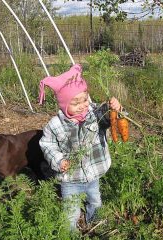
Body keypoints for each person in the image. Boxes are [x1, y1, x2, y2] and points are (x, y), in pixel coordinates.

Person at [38, 64, 121, 230]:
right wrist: (58, 160)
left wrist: (115, 108)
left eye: (84, 99)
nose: (82, 105)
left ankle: (95, 225)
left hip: (93, 175)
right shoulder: (54, 125)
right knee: (71, 212)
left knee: (95, 201)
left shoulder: (94, 113)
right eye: (75, 103)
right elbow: (47, 145)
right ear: (63, 104)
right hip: (70, 179)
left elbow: (108, 118)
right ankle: (70, 233)